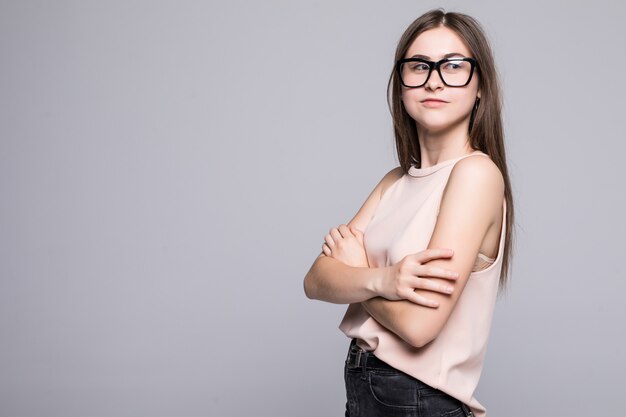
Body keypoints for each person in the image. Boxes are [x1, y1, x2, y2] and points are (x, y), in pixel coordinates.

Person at [303, 8, 515, 417]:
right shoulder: (394, 181)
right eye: (419, 66)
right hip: (370, 387)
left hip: (415, 397)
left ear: (480, 87)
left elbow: (420, 328)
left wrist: (357, 274)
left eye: (454, 66)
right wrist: (384, 278)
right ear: (401, 85)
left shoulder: (475, 174)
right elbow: (315, 280)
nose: (434, 79)